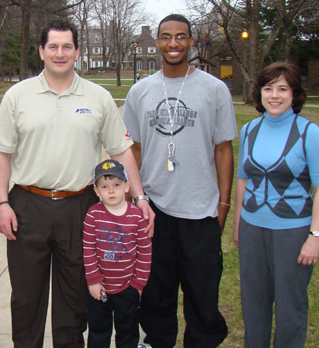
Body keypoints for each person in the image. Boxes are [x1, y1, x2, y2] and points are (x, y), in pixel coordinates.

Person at [0, 19, 155, 348]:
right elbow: (0, 154)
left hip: (80, 207)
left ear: (77, 51)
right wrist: (2, 203)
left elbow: (122, 151)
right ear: (41, 51)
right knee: (25, 298)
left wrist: (140, 197)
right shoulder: (17, 96)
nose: (60, 53)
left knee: (74, 299)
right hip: (27, 205)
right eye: (53, 46)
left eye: (67, 47)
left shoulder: (98, 97)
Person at [122, 14, 237, 348]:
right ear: (157, 42)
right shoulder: (140, 91)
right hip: (155, 209)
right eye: (166, 37)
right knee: (156, 293)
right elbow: (134, 150)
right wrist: (133, 200)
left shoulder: (215, 89)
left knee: (203, 293)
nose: (173, 43)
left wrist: (223, 205)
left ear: (191, 41)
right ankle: (157, 341)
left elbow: (223, 150)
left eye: (181, 37)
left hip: (201, 209)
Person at [233, 62, 319, 348]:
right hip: (252, 229)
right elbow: (242, 180)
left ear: (294, 94)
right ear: (259, 93)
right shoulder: (249, 130)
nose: (274, 96)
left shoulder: (308, 133)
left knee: (290, 307)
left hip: (293, 233)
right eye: (268, 88)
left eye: (282, 89)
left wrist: (314, 237)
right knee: (253, 304)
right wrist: (238, 223)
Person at [83, 159, 152, 348]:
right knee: (98, 332)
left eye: (116, 185)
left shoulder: (136, 216)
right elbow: (88, 249)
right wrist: (93, 280)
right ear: (96, 191)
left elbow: (145, 252)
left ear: (127, 186)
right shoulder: (92, 215)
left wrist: (138, 284)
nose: (111, 191)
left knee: (128, 332)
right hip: (100, 289)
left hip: (127, 287)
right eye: (104, 186)